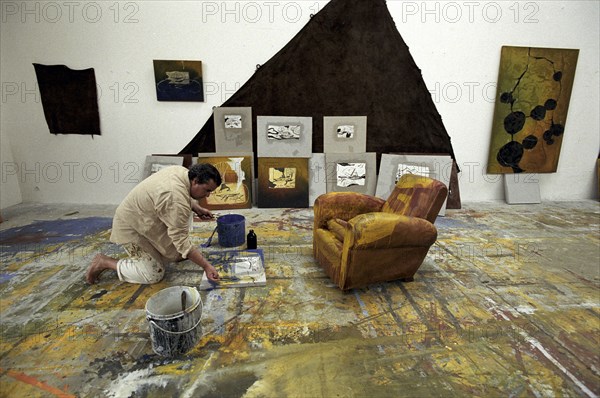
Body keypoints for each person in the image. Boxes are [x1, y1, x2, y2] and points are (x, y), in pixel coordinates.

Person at [86, 163, 222, 285]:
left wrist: (197, 208)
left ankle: (156, 251)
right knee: (153, 274)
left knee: (177, 254)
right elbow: (180, 239)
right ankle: (104, 262)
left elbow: (182, 194)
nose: (208, 195)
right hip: (131, 226)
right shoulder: (175, 198)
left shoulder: (181, 172)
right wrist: (206, 266)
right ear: (196, 181)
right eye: (207, 190)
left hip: (145, 217)